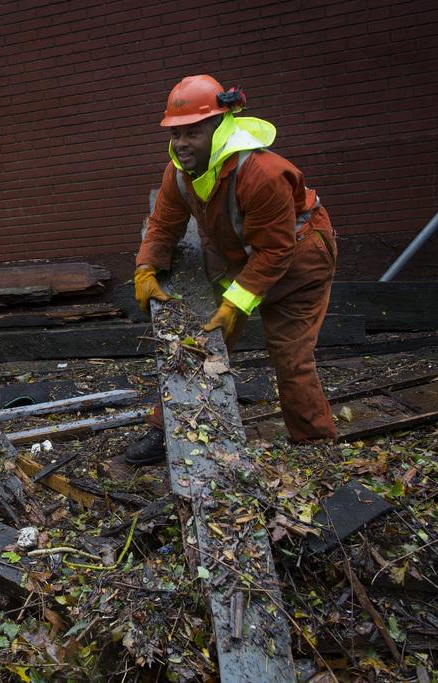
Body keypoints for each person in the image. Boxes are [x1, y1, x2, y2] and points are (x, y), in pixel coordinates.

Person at [128, 75, 338, 465]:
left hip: (300, 258)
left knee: (289, 355)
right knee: (200, 341)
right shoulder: (179, 172)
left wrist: (235, 304)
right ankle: (168, 430)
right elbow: (163, 224)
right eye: (175, 135)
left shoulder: (264, 173)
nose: (181, 144)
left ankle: (314, 446)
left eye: (192, 133)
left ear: (219, 127)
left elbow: (276, 250)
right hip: (242, 257)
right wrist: (146, 267)